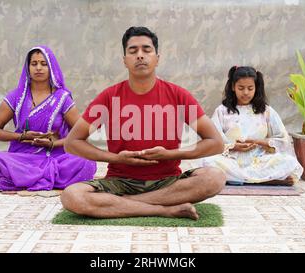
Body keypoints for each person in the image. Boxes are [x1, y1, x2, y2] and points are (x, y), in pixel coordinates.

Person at [61, 27, 226, 220]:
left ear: (157, 57)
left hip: (168, 183)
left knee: (215, 178)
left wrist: (170, 154)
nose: (140, 56)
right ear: (124, 60)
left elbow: (216, 142)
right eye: (133, 51)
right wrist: (116, 158)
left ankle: (127, 203)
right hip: (119, 183)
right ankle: (163, 210)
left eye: (146, 50)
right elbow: (72, 143)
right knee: (71, 196)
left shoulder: (177, 95)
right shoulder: (109, 97)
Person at [0, 46, 97, 192]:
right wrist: (22, 136)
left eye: (44, 63)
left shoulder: (62, 98)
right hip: (22, 158)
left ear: (51, 67)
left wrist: (54, 144)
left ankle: (26, 178)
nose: (39, 68)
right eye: (34, 64)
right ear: (28, 68)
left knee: (87, 161)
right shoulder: (16, 97)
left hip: (55, 158)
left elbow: (82, 133)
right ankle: (47, 178)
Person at [198, 66, 303, 185]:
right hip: (231, 160)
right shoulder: (222, 111)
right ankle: (265, 180)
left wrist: (258, 142)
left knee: (289, 162)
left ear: (256, 88)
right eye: (241, 88)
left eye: (250, 88)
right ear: (233, 87)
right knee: (207, 162)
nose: (246, 92)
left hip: (259, 160)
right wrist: (233, 146)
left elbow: (283, 140)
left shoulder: (266, 111)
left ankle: (240, 179)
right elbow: (213, 139)